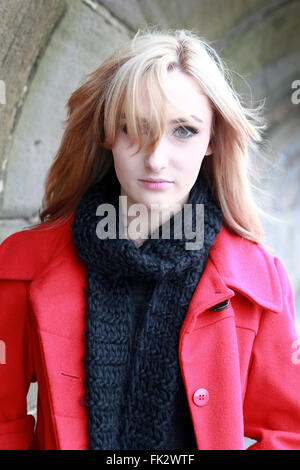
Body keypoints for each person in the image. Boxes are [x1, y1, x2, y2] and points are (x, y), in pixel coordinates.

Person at [0, 27, 299, 451]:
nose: (156, 158)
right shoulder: (23, 263)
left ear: (213, 138)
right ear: (107, 134)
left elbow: (290, 432)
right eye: (134, 128)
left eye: (184, 131)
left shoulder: (257, 280)